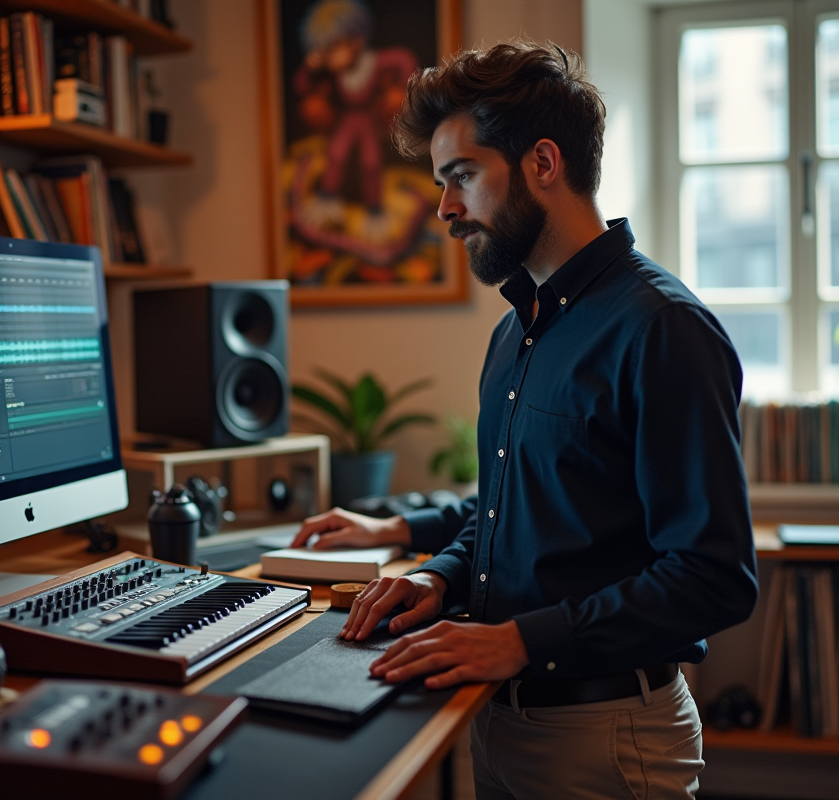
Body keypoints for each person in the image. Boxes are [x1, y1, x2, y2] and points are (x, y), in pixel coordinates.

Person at [293, 40, 758, 800]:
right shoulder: (515, 333)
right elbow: (511, 512)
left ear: (543, 163)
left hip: (606, 737)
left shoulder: (662, 328)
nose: (445, 207)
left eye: (462, 177)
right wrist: (442, 576)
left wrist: (517, 639)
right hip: (498, 716)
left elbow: (714, 578)